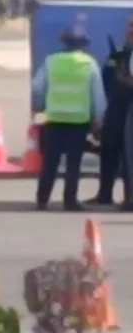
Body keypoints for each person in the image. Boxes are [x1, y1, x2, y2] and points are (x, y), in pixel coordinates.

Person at [32, 29, 106, 211]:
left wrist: (39, 108)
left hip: (54, 119)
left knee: (50, 162)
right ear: (83, 46)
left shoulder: (51, 62)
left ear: (64, 43)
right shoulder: (89, 64)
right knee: (74, 163)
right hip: (78, 121)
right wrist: (98, 118)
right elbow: (98, 95)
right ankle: (70, 200)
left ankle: (42, 199)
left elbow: (37, 88)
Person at [87, 25, 133, 206]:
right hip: (114, 110)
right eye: (129, 27)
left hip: (130, 111)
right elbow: (103, 84)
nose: (129, 31)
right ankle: (104, 194)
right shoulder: (116, 56)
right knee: (108, 154)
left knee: (129, 158)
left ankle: (130, 198)